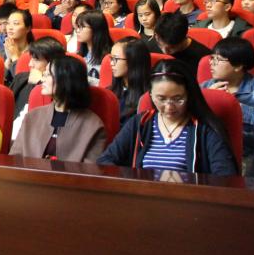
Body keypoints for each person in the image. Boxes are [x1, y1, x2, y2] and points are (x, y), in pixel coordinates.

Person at [98, 60, 237, 176]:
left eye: (178, 99)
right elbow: (105, 161)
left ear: (189, 95)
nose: (169, 107)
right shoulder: (140, 123)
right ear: (151, 95)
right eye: (161, 99)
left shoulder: (204, 128)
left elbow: (225, 177)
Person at [200, 37, 254, 174]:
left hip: (250, 152)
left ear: (238, 66)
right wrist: (208, 99)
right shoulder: (205, 87)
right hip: (211, 151)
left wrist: (233, 105)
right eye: (211, 58)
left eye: (218, 59)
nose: (211, 63)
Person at [11, 56, 106, 163]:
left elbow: (89, 170)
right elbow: (14, 159)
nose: (43, 78)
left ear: (65, 80)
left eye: (48, 74)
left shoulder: (93, 125)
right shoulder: (32, 117)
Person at [108, 39, 152, 124]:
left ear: (133, 61)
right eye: (111, 58)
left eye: (116, 59)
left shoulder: (147, 99)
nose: (111, 63)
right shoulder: (111, 91)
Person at [153, 12, 209, 77]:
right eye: (160, 45)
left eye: (172, 48)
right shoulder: (152, 44)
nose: (165, 52)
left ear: (183, 39)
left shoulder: (203, 58)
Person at [67, 9, 112, 85]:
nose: (77, 31)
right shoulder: (78, 55)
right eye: (78, 27)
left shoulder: (110, 57)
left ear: (96, 29)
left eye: (82, 27)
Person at [0, 8, 33, 82]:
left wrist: (14, 57)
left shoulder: (35, 54)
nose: (10, 27)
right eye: (8, 23)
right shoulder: (2, 52)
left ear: (28, 28)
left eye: (15, 23)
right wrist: (7, 64)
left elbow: (24, 82)